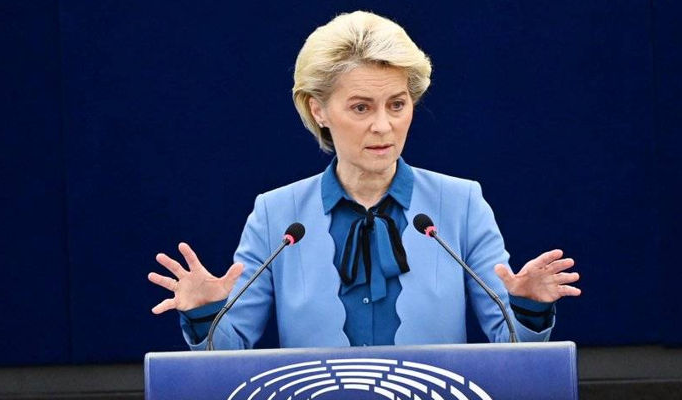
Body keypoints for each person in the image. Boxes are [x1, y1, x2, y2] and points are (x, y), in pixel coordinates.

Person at [148, 11, 580, 350]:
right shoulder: (276, 215)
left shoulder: (461, 204)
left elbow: (512, 347)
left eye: (397, 104)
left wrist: (528, 307)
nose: (383, 126)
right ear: (318, 110)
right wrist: (205, 312)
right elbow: (225, 353)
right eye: (361, 107)